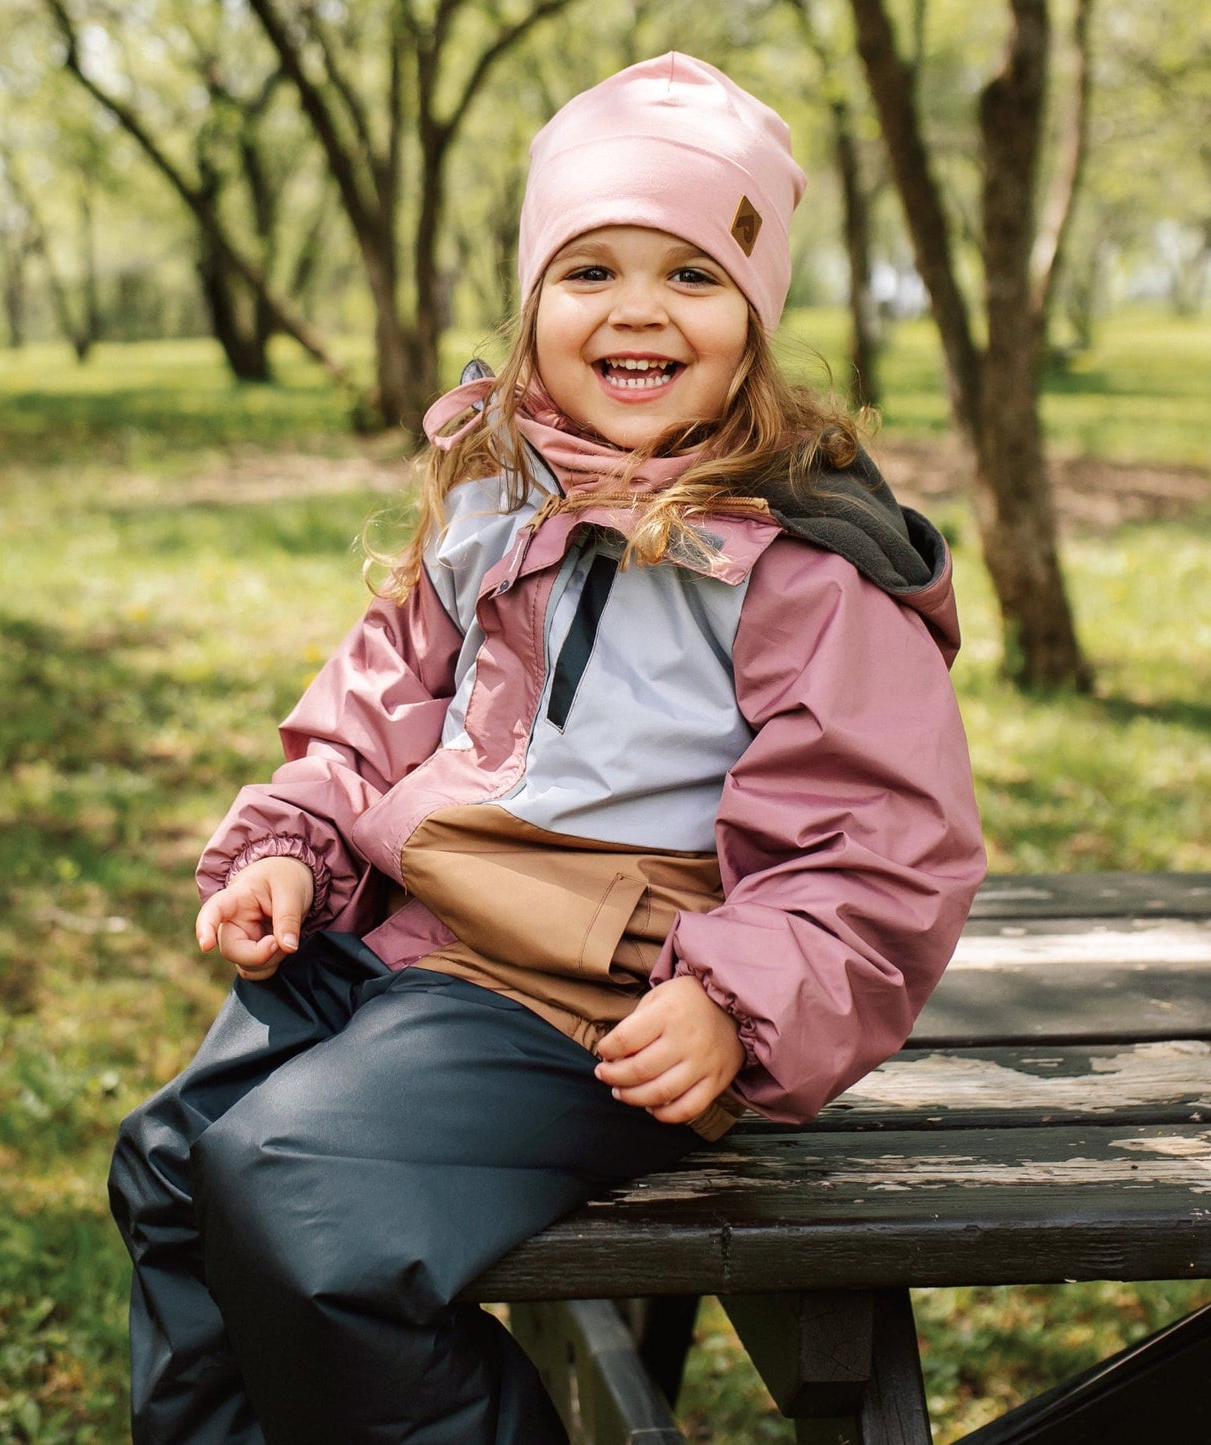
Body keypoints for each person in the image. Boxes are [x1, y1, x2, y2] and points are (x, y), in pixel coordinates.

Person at [109, 52, 986, 1445]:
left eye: (691, 275)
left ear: (753, 320)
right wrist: (297, 839)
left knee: (297, 1191)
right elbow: (375, 701)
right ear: (531, 303)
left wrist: (735, 1000)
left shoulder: (800, 569)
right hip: (420, 942)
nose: (638, 308)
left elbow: (877, 850)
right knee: (169, 1163)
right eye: (590, 270)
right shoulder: (496, 499)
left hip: (609, 998)